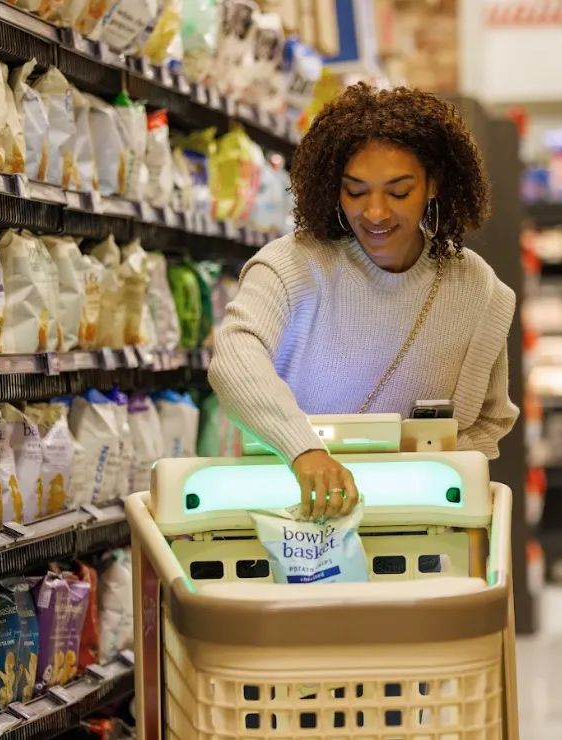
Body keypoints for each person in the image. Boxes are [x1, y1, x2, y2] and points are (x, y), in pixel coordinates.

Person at [208, 83, 520, 520]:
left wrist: (426, 476)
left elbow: (492, 419)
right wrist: (304, 451)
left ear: (434, 184)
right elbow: (235, 357)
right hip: (295, 521)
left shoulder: (476, 290)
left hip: (421, 531)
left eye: (398, 192)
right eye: (356, 192)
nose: (375, 213)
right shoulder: (291, 266)